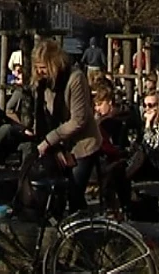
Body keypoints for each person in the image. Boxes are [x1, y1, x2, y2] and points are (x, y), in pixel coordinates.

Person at [33, 40, 102, 213]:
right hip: (60, 145)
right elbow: (45, 118)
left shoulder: (75, 78)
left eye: (43, 67)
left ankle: (83, 233)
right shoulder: (45, 85)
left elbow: (78, 120)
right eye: (37, 67)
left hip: (83, 144)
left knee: (75, 194)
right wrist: (54, 147)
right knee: (57, 194)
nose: (40, 72)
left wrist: (49, 140)